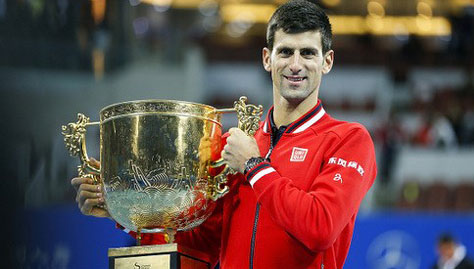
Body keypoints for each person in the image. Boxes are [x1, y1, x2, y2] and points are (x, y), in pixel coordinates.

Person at [71, 0, 377, 268]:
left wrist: (255, 167)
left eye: (308, 53)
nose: (295, 65)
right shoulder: (237, 147)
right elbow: (202, 242)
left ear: (327, 62)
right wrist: (124, 213)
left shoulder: (348, 140)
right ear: (267, 59)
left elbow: (320, 227)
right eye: (285, 52)